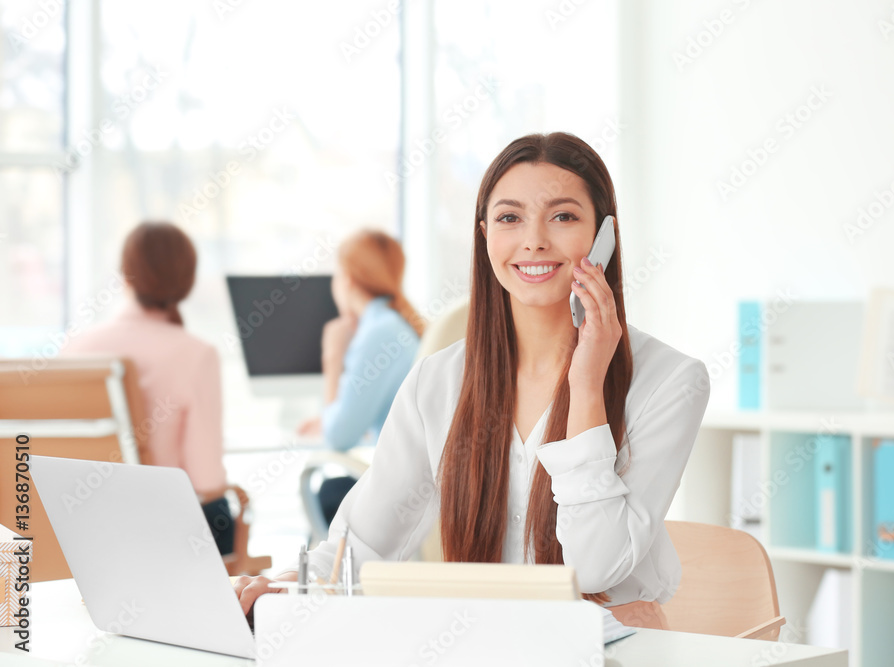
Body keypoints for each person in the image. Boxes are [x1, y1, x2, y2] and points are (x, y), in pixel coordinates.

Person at [236, 132, 711, 630]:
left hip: (611, 652)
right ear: (485, 234)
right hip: (481, 643)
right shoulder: (438, 382)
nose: (534, 240)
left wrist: (588, 385)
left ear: (604, 235)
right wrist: (286, 583)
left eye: (564, 216)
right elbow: (363, 546)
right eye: (510, 217)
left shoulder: (671, 381)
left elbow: (592, 567)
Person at [61, 222, 233, 555]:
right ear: (187, 281)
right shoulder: (196, 354)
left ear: (125, 274)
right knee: (221, 512)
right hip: (160, 531)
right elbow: (207, 481)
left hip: (78, 529)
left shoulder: (76, 345)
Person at [297, 230, 424, 524]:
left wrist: (333, 356)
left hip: (402, 493)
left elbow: (337, 438)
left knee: (328, 492)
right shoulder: (394, 323)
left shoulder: (378, 333)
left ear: (348, 280)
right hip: (413, 483)